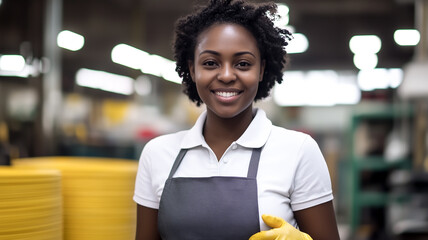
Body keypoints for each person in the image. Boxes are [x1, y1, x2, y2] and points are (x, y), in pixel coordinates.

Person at [133, 0, 341, 239]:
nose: (227, 75)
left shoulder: (298, 152)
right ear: (192, 69)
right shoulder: (158, 154)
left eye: (243, 64)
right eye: (211, 63)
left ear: (261, 69)